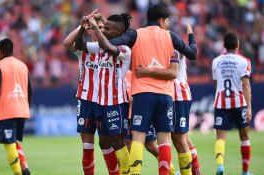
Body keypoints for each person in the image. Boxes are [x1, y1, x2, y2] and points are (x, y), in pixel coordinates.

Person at [97, 3, 197, 175]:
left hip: (142, 95)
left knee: (137, 137)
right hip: (165, 96)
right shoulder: (171, 37)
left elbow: (109, 44)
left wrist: (98, 30)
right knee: (164, 140)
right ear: (161, 20)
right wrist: (191, 36)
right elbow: (192, 53)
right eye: (166, 20)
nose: (167, 23)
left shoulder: (135, 34)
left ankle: (134, 173)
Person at [63, 10, 120, 175]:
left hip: (105, 102)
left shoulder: (111, 48)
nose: (99, 30)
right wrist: (82, 25)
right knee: (87, 146)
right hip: (86, 101)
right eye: (96, 27)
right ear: (89, 30)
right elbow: (67, 43)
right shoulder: (84, 49)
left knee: (106, 145)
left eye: (102, 28)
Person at [76, 13, 132, 175]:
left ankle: (127, 173)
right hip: (100, 103)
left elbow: (108, 47)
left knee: (118, 142)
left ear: (119, 32)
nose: (105, 30)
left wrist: (96, 27)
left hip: (116, 103)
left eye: (108, 28)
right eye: (104, 28)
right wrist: (82, 28)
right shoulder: (99, 47)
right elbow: (80, 45)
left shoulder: (124, 49)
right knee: (103, 142)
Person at [0, 38, 32, 175]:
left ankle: (17, 173)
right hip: (22, 110)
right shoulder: (23, 65)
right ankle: (24, 168)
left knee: (9, 144)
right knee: (15, 141)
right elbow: (31, 89)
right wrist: (26, 106)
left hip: (8, 111)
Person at [125, 70, 180, 175]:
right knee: (125, 142)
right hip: (125, 111)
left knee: (151, 145)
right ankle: (131, 172)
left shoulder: (138, 71)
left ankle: (172, 171)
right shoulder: (121, 70)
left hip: (140, 109)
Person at [212, 32, 252, 175]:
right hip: (239, 103)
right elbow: (246, 84)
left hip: (221, 104)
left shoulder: (216, 61)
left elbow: (216, 83)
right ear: (237, 45)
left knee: (220, 138)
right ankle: (245, 172)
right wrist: (249, 107)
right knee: (245, 137)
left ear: (224, 45)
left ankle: (220, 166)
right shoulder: (244, 61)